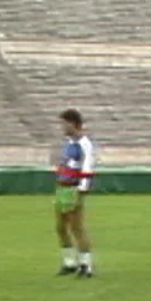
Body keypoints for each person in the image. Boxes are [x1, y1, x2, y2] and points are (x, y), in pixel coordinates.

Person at [55, 108, 96, 277]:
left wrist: (82, 189)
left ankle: (86, 264)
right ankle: (69, 262)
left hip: (73, 187)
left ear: (73, 124)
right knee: (60, 227)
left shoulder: (84, 143)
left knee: (76, 227)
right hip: (62, 187)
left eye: (64, 123)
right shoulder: (69, 142)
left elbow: (87, 166)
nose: (62, 127)